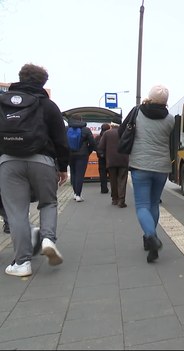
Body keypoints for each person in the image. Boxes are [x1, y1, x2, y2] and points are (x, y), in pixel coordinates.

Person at [0, 63, 69, 277]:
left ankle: (22, 263)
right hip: (43, 160)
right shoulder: (48, 106)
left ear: (20, 77)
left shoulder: (3, 104)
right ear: (43, 83)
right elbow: (61, 140)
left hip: (9, 162)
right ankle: (48, 239)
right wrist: (63, 167)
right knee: (48, 203)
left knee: (17, 212)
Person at [126, 84, 175, 263]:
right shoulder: (170, 119)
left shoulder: (137, 112)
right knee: (154, 204)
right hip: (161, 167)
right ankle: (149, 241)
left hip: (140, 165)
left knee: (142, 205)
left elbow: (125, 131)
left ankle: (151, 236)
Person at [98, 122, 129, 208]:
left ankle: (114, 199)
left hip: (111, 161)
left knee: (113, 180)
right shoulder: (125, 132)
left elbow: (100, 147)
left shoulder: (107, 133)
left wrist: (103, 155)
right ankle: (121, 200)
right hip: (123, 160)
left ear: (112, 125)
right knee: (122, 180)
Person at [66, 114, 96, 202]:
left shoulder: (67, 129)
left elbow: (63, 141)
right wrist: (88, 151)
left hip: (70, 154)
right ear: (81, 119)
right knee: (80, 174)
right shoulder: (86, 130)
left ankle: (75, 193)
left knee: (73, 173)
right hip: (82, 155)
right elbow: (93, 143)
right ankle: (78, 195)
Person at [95, 123, 111, 194]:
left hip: (101, 158)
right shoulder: (110, 136)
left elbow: (94, 146)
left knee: (102, 174)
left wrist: (99, 153)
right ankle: (114, 189)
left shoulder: (98, 137)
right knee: (112, 174)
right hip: (110, 158)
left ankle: (104, 189)